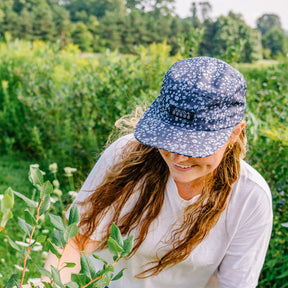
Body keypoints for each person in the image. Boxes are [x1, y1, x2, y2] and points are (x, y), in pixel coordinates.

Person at [43, 57, 273, 288]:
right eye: (170, 138)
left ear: (234, 133)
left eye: (194, 145)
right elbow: (75, 239)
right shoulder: (124, 156)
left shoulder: (250, 197)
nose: (178, 157)